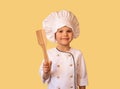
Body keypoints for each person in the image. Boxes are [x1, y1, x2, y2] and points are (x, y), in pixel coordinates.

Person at [39, 10, 88, 89]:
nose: (65, 34)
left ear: (73, 33)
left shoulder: (78, 54)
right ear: (54, 34)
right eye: (60, 31)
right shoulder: (49, 54)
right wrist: (45, 72)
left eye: (69, 31)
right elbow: (44, 78)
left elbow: (82, 78)